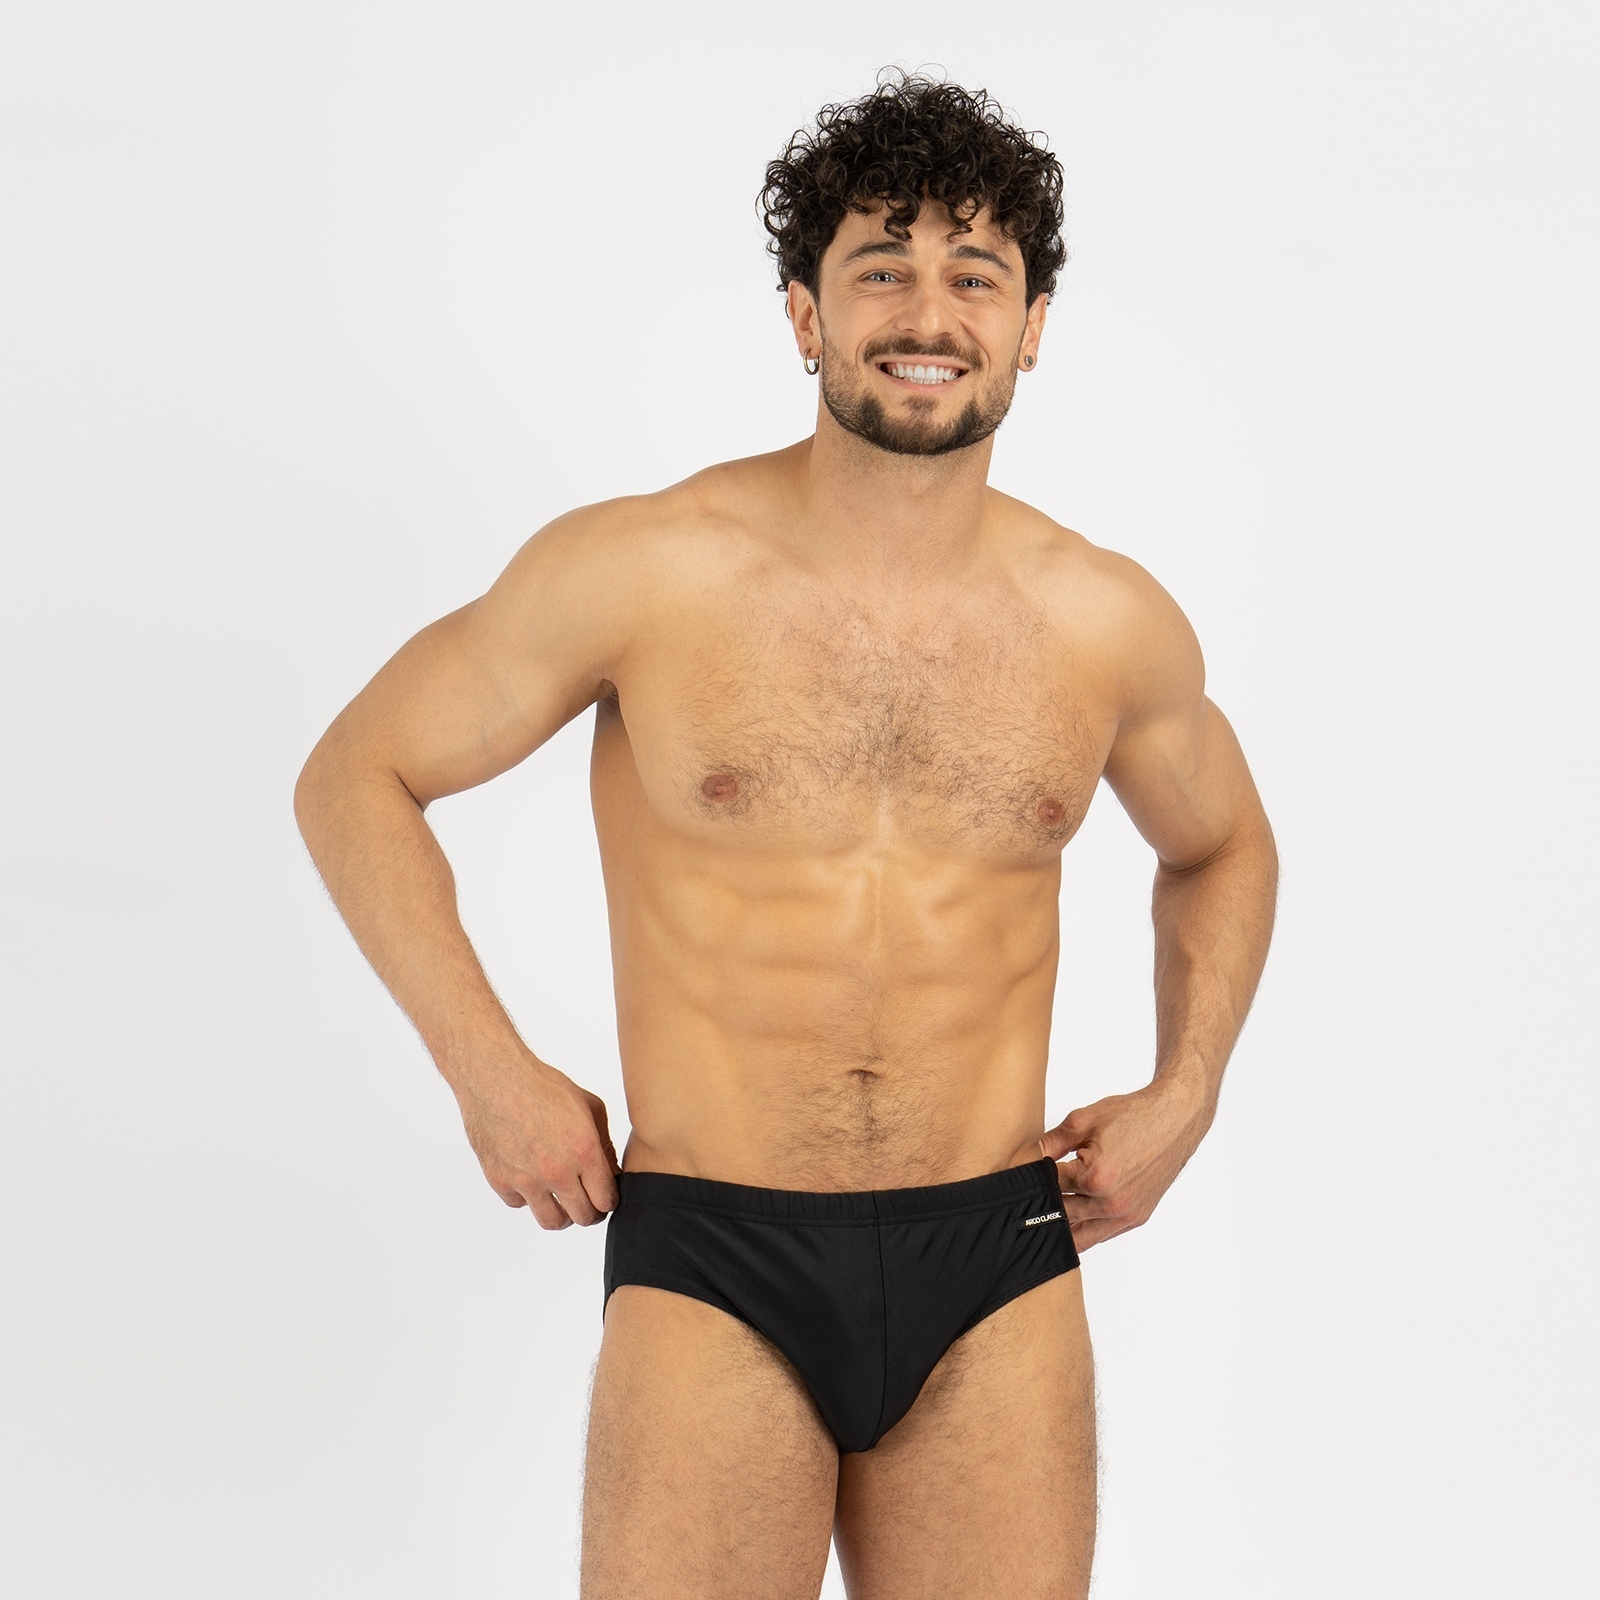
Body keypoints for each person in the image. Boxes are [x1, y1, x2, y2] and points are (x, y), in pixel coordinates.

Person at [295, 72, 1277, 1600]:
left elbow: (1221, 846)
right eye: (881, 268)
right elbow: (357, 773)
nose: (928, 313)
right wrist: (489, 1073)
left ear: (1031, 327)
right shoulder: (645, 570)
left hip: (997, 1259)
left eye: (976, 276)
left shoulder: (1106, 622)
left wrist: (1188, 1090)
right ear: (806, 315)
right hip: (715, 1253)